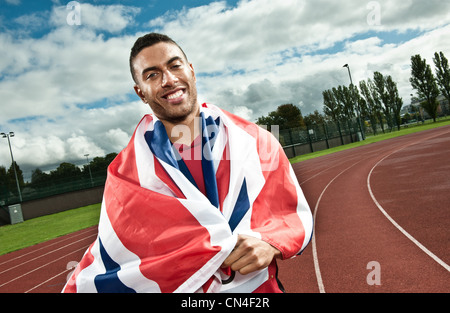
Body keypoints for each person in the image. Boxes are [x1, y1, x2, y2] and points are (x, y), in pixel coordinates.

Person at [63, 33, 313, 293]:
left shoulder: (255, 141)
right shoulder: (126, 173)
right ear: (141, 93)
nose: (169, 80)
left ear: (191, 70)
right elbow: (119, 257)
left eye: (174, 65)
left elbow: (291, 212)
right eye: (152, 75)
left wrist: (270, 243)